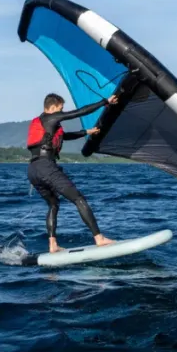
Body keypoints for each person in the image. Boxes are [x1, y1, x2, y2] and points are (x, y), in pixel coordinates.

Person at [26, 93, 119, 253]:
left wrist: (86, 132)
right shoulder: (51, 118)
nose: (62, 112)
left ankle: (53, 244)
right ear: (53, 107)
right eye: (61, 109)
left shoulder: (43, 122)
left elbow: (63, 136)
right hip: (46, 167)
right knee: (79, 199)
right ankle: (99, 238)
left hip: (33, 170)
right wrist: (105, 102)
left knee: (53, 204)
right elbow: (79, 112)